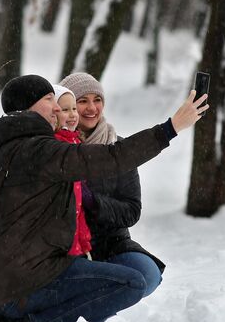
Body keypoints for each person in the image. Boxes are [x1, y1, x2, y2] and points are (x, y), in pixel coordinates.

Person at [0, 74, 208, 322]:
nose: (58, 108)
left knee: (137, 275)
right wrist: (171, 128)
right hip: (27, 284)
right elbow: (113, 156)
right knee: (132, 283)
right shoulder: (41, 151)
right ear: (28, 107)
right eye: (50, 100)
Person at [60, 72, 163, 298]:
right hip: (67, 248)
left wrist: (93, 202)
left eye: (97, 100)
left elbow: (131, 210)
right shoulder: (57, 148)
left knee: (148, 275)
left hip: (111, 244)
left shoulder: (119, 148)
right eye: (82, 101)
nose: (91, 108)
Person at [52, 84, 93, 260]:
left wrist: (84, 240)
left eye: (74, 108)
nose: (73, 114)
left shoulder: (75, 142)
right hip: (60, 238)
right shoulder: (55, 145)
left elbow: (79, 204)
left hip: (75, 233)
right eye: (65, 109)